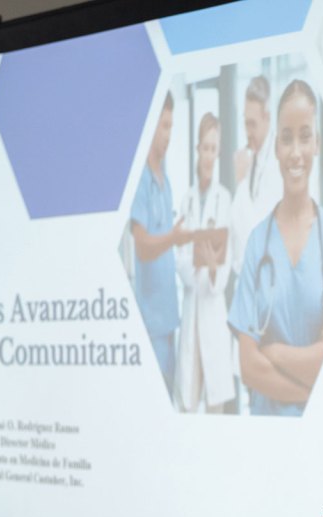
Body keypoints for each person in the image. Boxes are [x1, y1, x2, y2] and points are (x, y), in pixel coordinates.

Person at [227, 80, 323, 416]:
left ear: (317, 144)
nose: (295, 151)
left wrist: (274, 351)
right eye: (286, 138)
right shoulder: (258, 242)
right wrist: (311, 382)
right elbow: (249, 366)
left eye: (305, 136)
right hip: (267, 437)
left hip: (320, 436)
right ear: (277, 147)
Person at [130, 93, 191, 397]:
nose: (168, 135)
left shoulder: (166, 181)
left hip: (169, 321)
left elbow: (170, 242)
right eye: (164, 126)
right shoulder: (140, 180)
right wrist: (173, 238)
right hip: (150, 324)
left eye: (171, 127)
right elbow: (142, 246)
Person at [174, 112, 235, 413]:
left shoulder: (225, 201)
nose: (209, 155)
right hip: (191, 309)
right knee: (187, 403)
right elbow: (180, 258)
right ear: (197, 149)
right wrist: (195, 265)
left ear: (218, 152)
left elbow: (226, 262)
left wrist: (212, 268)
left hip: (212, 311)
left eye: (214, 148)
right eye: (205, 147)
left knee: (216, 408)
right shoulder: (185, 201)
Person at [229, 75, 281, 276]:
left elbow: (257, 235)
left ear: (267, 117)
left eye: (253, 124)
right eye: (245, 123)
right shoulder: (253, 159)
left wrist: (241, 182)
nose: (248, 132)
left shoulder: (277, 164)